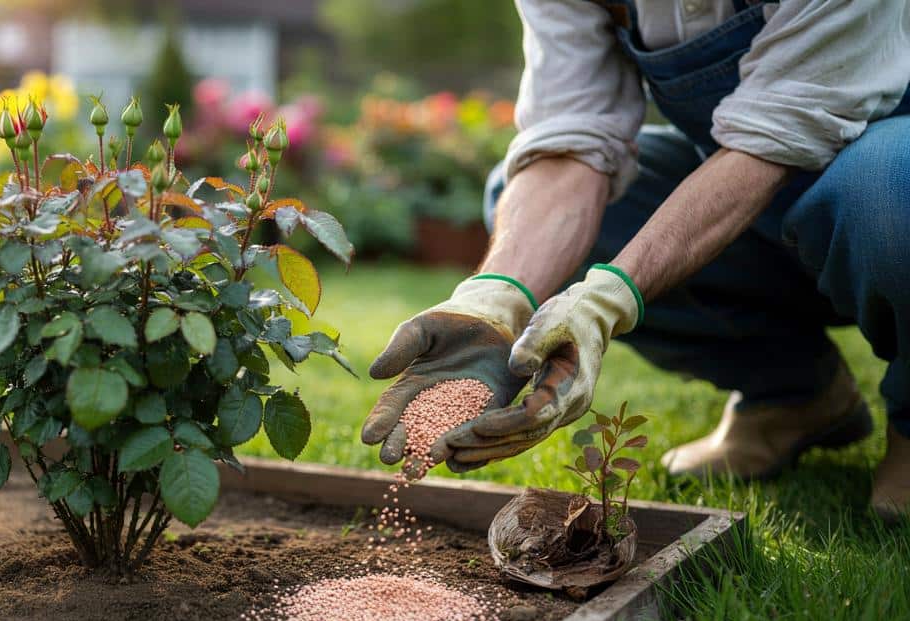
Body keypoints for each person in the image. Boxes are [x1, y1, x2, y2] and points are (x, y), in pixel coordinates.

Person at [362, 0, 910, 520]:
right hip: (765, 210)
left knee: (889, 185)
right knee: (524, 200)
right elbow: (574, 135)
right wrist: (495, 298)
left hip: (878, 191)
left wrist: (609, 298)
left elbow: (782, 126)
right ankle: (796, 395)